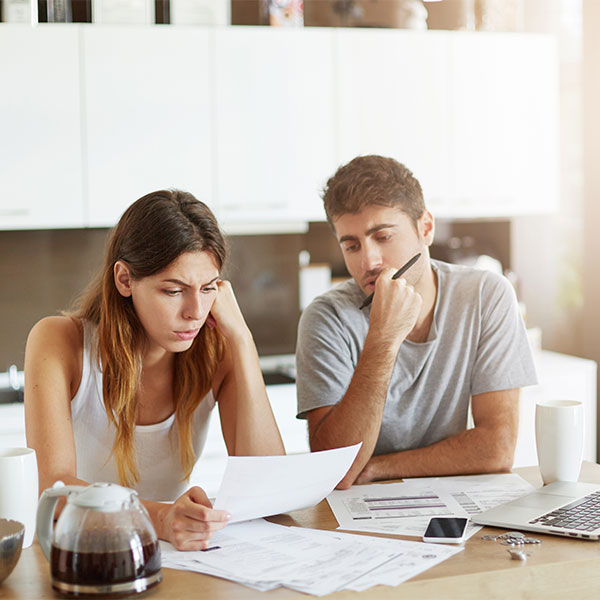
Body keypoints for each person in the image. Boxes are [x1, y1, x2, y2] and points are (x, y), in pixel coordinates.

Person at [24, 189, 285, 550]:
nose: (195, 310)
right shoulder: (59, 342)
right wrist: (159, 518)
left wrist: (242, 339)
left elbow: (269, 487)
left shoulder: (216, 350)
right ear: (125, 280)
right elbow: (51, 488)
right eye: (174, 290)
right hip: (81, 554)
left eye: (208, 288)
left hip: (173, 557)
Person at [296, 155, 537, 489]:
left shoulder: (486, 295)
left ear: (425, 228)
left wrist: (377, 468)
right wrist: (383, 339)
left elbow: (497, 448)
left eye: (382, 236)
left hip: (451, 502)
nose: (369, 261)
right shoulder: (326, 318)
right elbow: (336, 468)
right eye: (351, 246)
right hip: (356, 514)